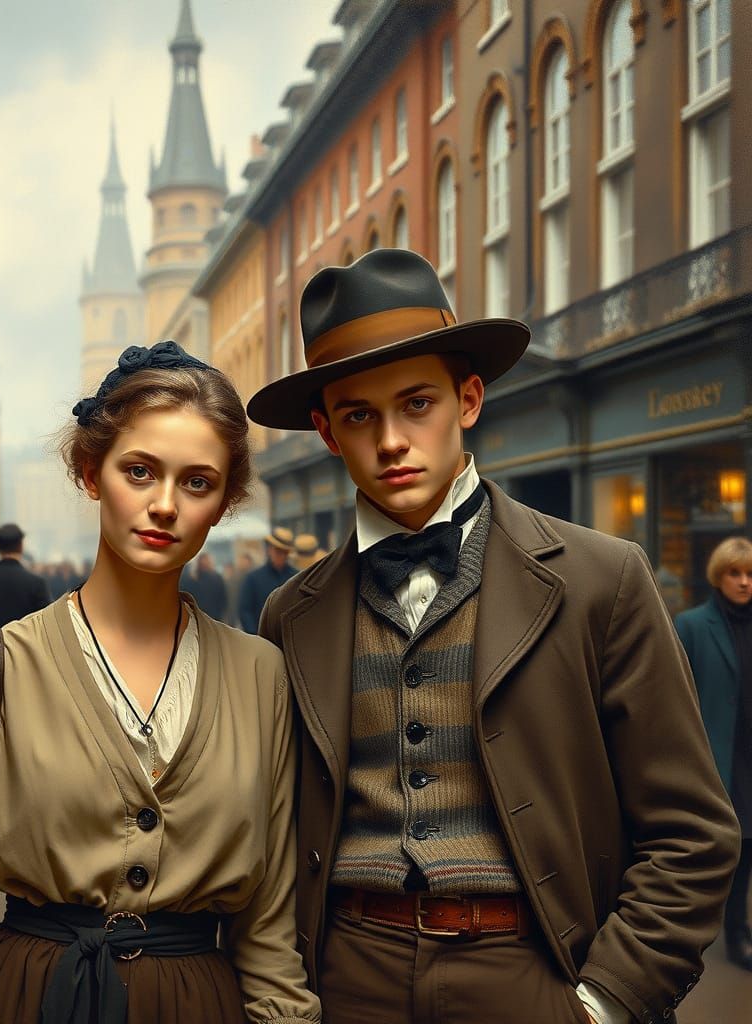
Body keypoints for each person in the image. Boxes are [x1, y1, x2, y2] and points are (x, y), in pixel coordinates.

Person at [247, 249, 740, 1024]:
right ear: (326, 432)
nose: (391, 441)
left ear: (468, 398)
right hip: (347, 978)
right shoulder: (290, 614)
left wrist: (606, 1002)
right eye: (358, 415)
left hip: (533, 968)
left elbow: (692, 833)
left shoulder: (601, 579)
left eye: (417, 404)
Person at [0, 341, 320, 1024]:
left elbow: (270, 932)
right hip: (23, 998)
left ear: (222, 503)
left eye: (197, 482)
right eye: (139, 470)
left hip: (198, 1006)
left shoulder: (261, 676)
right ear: (90, 471)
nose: (165, 504)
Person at [675, 536, 752, 972]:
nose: (744, 583)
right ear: (718, 577)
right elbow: (674, 695)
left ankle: (739, 928)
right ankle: (723, 932)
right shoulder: (691, 625)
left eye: (750, 574)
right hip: (718, 754)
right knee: (727, 846)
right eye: (734, 574)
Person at [237, 528, 297, 634]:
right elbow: (245, 610)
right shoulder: (253, 578)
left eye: (284, 552)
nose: (281, 556)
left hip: (289, 640)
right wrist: (255, 636)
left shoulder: (295, 577)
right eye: (278, 551)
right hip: (261, 639)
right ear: (270, 550)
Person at [184, 551, 228, 621]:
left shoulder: (216, 577)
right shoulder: (193, 579)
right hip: (199, 615)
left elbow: (222, 597)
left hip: (213, 615)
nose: (204, 562)